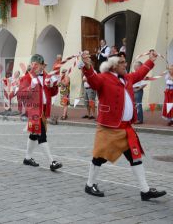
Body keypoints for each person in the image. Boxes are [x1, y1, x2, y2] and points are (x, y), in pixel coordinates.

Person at [81, 50, 166, 201]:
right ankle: (90, 184)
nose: (125, 64)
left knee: (135, 157)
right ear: (113, 66)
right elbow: (92, 80)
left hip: (126, 128)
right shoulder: (103, 78)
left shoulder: (127, 78)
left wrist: (151, 60)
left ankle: (145, 191)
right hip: (109, 127)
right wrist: (87, 66)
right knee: (100, 157)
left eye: (124, 62)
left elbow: (139, 74)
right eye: (121, 63)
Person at [19, 54, 62, 171]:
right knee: (42, 135)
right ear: (33, 66)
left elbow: (51, 93)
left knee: (34, 134)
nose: (41, 68)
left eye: (42, 66)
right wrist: (30, 87)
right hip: (34, 110)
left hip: (43, 109)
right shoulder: (26, 78)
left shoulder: (46, 76)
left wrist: (54, 85)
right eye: (39, 66)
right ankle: (52, 162)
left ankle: (27, 158)